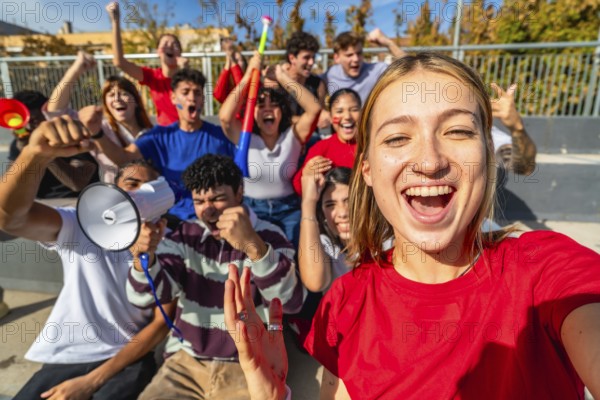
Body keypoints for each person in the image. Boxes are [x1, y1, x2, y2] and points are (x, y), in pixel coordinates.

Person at [223, 52, 600, 399]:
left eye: (457, 131)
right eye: (398, 137)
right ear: (366, 169)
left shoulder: (547, 269)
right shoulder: (346, 301)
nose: (430, 160)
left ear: (487, 151)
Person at [0, 116, 175, 400]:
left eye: (147, 189)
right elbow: (10, 217)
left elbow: (161, 323)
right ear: (113, 189)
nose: (136, 194)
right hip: (69, 354)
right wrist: (34, 154)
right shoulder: (79, 224)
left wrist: (91, 382)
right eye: (130, 184)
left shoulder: (171, 245)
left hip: (127, 358)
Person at [126, 154, 305, 399]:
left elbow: (291, 302)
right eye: (199, 201)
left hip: (248, 365)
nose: (208, 210)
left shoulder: (270, 236)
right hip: (187, 364)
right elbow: (143, 298)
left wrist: (254, 246)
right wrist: (142, 257)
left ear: (240, 193)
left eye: (218, 198)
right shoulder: (184, 235)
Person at [87, 68, 236, 223]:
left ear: (203, 100)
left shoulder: (222, 136)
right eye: (185, 92)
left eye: (197, 93)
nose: (192, 98)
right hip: (173, 222)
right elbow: (125, 159)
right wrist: (96, 132)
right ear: (173, 98)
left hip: (216, 220)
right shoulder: (158, 136)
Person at [219, 53, 322, 246]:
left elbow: (314, 108)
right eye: (261, 105)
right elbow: (225, 117)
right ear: (253, 112)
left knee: (291, 263)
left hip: (289, 211)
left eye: (274, 106)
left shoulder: (294, 134)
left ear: (282, 112)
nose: (268, 110)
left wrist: (283, 77)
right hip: (252, 210)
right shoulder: (245, 137)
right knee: (256, 264)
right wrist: (250, 73)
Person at [46, 51, 153, 183]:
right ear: (106, 104)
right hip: (115, 197)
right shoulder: (98, 127)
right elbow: (55, 111)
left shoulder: (153, 132)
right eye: (111, 95)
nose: (117, 99)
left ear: (136, 101)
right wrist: (76, 69)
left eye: (123, 93)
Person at [106, 1, 187, 126]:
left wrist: (186, 72)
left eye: (175, 45)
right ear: (157, 52)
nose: (170, 46)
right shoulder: (152, 76)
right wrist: (115, 21)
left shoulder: (188, 76)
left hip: (188, 132)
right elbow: (119, 62)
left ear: (180, 53)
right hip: (165, 135)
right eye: (165, 44)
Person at [8, 90, 98, 199]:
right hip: (40, 205)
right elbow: (12, 186)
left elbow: (77, 183)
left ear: (46, 114)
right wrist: (25, 153)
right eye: (23, 121)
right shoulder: (22, 142)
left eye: (34, 120)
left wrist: (44, 152)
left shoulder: (72, 137)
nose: (29, 127)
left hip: (77, 201)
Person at [292, 88, 361, 195]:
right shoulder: (321, 148)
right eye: (339, 111)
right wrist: (307, 173)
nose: (347, 116)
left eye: (354, 109)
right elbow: (299, 188)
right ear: (330, 116)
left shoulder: (373, 145)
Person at [299, 167, 352, 293]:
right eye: (330, 205)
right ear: (322, 215)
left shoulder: (384, 239)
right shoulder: (325, 245)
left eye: (349, 201)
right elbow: (315, 283)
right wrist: (308, 203)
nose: (343, 213)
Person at [323, 28, 406, 105]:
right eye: (349, 55)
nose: (356, 59)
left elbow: (410, 68)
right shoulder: (330, 75)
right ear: (337, 58)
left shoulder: (376, 70)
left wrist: (389, 43)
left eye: (359, 53)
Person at [213, 37, 246, 105]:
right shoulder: (227, 82)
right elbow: (218, 95)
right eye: (234, 60)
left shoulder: (251, 79)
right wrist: (228, 62)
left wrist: (231, 59)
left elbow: (241, 88)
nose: (235, 64)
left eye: (239, 60)